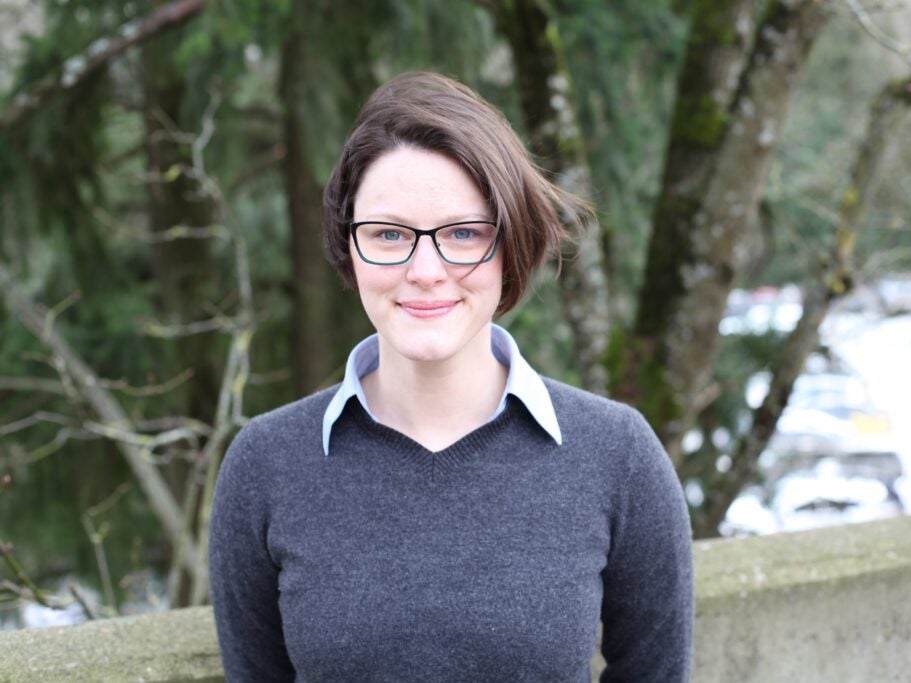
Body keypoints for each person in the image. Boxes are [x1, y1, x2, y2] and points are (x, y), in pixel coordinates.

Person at [209, 71, 693, 682]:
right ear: (348, 249)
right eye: (389, 234)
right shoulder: (265, 463)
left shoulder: (618, 454)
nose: (426, 270)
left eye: (464, 233)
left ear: (511, 245)